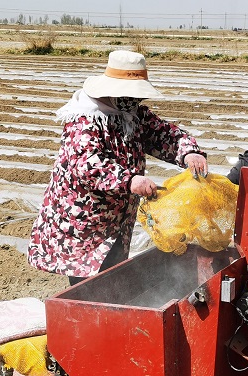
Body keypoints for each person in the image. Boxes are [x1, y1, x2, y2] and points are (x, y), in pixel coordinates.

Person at [28, 50, 208, 285]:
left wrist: (188, 151)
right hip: (84, 220)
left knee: (111, 276)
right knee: (88, 285)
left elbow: (160, 133)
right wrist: (130, 180)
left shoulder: (130, 112)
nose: (135, 101)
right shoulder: (85, 118)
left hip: (116, 218)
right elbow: (86, 164)